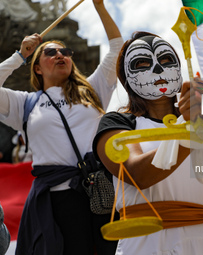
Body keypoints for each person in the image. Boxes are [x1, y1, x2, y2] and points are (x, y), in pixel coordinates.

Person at [94, 32, 203, 255]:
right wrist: (191, 133)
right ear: (127, 78)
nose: (157, 69)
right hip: (152, 245)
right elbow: (137, 174)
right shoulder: (117, 122)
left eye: (166, 60)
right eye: (142, 63)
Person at [0, 0, 123, 254]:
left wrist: (99, 6)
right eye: (50, 52)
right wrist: (18, 56)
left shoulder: (93, 89)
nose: (60, 55)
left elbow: (118, 48)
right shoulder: (25, 103)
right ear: (36, 67)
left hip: (99, 195)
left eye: (65, 52)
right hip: (57, 202)